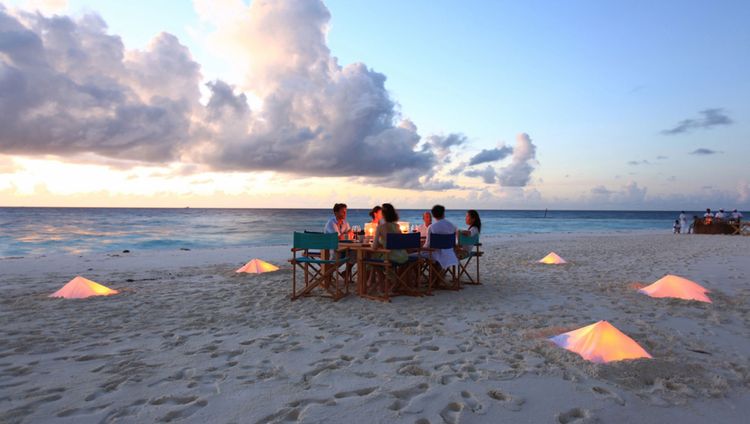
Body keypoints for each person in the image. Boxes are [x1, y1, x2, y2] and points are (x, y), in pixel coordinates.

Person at [423, 204, 458, 269]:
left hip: (434, 255)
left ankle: (431, 278)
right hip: (450, 255)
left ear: (433, 215)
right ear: (443, 214)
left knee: (417, 254)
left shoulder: (431, 227)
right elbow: (455, 242)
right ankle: (439, 276)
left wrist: (419, 248)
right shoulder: (452, 226)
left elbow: (427, 245)